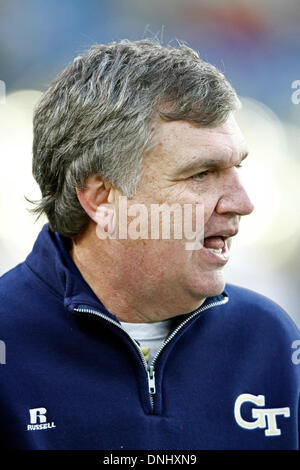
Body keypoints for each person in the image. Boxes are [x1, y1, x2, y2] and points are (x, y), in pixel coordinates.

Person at [0, 39, 299, 451]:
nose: (243, 203)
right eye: (201, 174)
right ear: (102, 199)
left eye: (237, 168)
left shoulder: (270, 339)